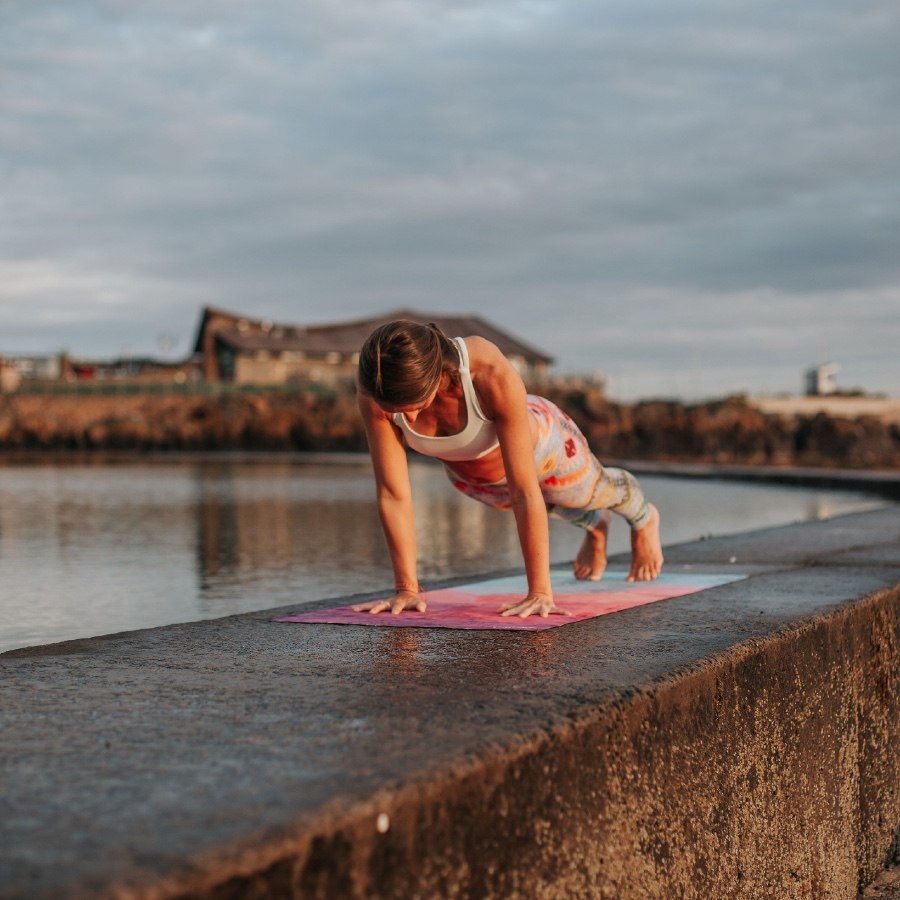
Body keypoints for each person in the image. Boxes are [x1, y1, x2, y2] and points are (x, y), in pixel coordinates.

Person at [352, 320, 663, 619]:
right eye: (392, 408)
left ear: (434, 377)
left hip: (547, 448)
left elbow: (525, 492)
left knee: (592, 490)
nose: (401, 415)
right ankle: (596, 527)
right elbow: (393, 494)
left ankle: (644, 519)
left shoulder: (485, 370)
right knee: (551, 503)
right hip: (478, 481)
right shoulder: (377, 390)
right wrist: (407, 589)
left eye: (411, 404)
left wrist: (539, 593)